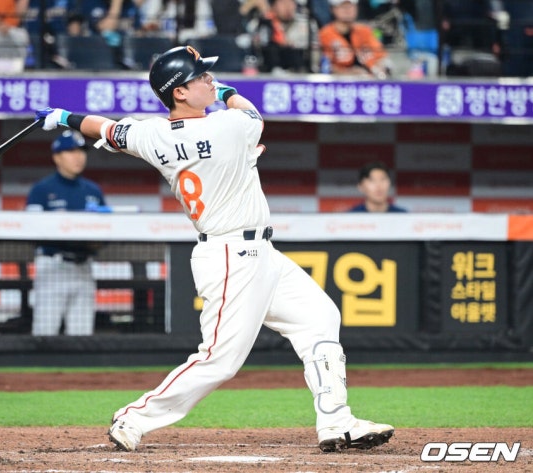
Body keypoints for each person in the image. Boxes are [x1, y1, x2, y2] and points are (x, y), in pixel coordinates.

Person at [35, 45, 394, 452]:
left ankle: (336, 422)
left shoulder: (151, 134)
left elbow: (108, 129)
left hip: (257, 253)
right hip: (231, 255)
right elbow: (251, 113)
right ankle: (134, 417)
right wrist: (225, 92)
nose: (210, 79)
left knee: (319, 317)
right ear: (179, 92)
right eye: (201, 77)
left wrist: (64, 117)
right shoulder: (226, 125)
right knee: (220, 359)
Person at [26, 130, 106, 336]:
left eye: (81, 151)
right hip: (53, 266)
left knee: (82, 335)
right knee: (45, 333)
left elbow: (106, 229)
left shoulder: (93, 191)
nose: (78, 156)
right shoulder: (42, 190)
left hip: (83, 266)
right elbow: (31, 230)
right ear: (57, 157)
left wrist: (96, 241)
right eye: (71, 151)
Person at [318, 0, 390, 78]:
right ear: (333, 9)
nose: (347, 10)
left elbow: (382, 57)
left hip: (369, 81)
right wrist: (348, 73)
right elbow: (325, 66)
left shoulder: (365, 31)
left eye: (351, 6)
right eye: (343, 6)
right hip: (338, 82)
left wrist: (379, 69)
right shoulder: (324, 34)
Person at [253, 0, 310, 73]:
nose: (287, 7)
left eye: (291, 3)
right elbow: (258, 44)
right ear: (273, 6)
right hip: (270, 68)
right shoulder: (263, 23)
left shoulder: (304, 22)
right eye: (283, 3)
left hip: (298, 67)